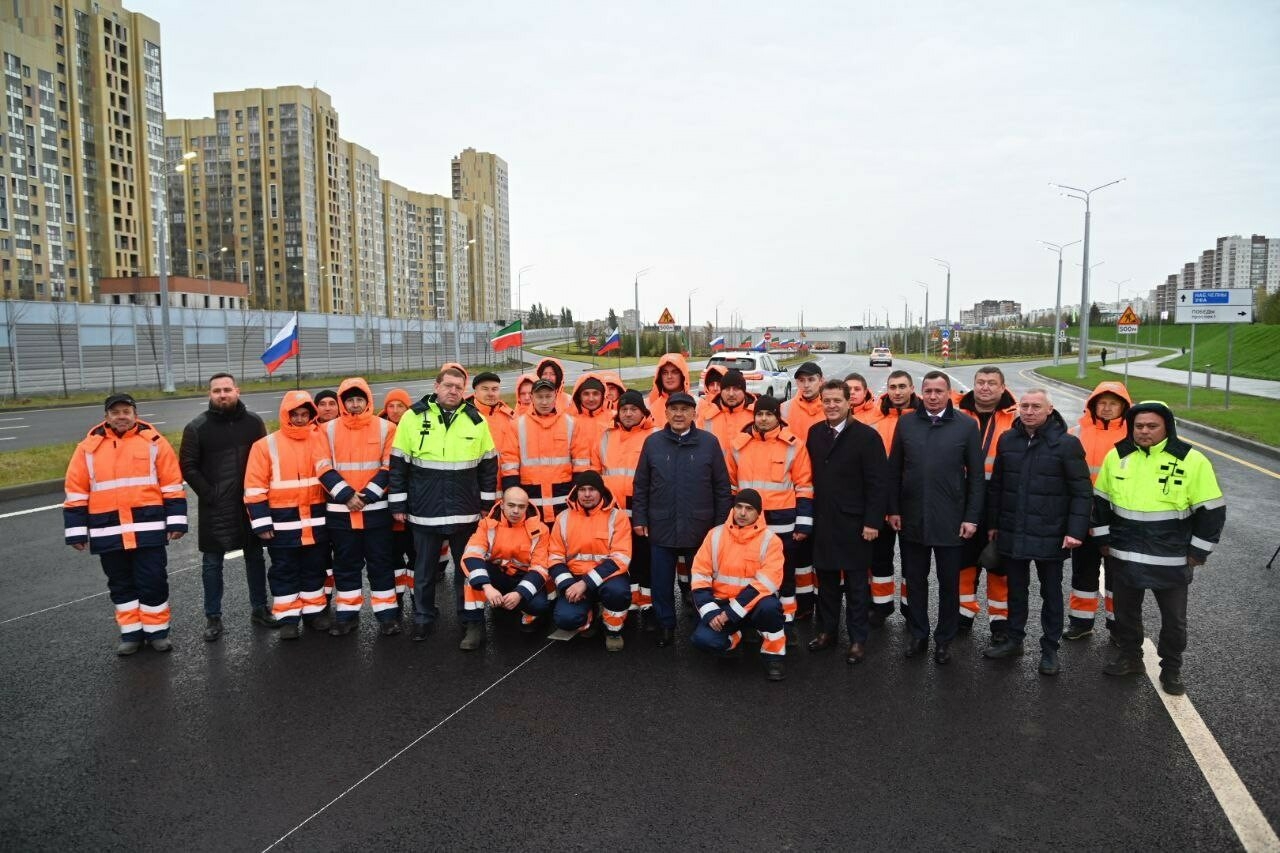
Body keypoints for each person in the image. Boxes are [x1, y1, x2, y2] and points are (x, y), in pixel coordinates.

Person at [1093, 401, 1225, 695]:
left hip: (1172, 557)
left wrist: (1198, 551)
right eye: (1139, 426)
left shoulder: (1191, 460)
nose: (1144, 431)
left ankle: (1172, 669)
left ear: (1167, 426)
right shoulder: (1118, 456)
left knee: (1174, 621)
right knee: (1125, 615)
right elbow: (1100, 503)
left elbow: (1212, 511)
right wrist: (1103, 541)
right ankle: (1131, 658)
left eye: (1152, 426)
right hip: (1125, 556)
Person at [64, 393, 187, 655]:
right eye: (115, 412)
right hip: (107, 529)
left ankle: (157, 633)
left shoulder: (154, 442)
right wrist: (76, 532)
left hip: (148, 529)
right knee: (120, 583)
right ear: (106, 416)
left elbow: (172, 484)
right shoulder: (88, 448)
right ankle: (131, 633)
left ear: (135, 414)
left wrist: (176, 521)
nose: (121, 416)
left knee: (153, 580)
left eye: (126, 411)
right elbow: (76, 490)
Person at [983, 389, 1092, 675]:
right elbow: (997, 487)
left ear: (1049, 410)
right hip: (1013, 531)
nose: (1029, 411)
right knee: (1016, 591)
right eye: (1025, 406)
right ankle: (1014, 640)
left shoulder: (1067, 445)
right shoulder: (1008, 440)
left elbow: (1082, 492)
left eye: (1036, 406)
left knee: (1051, 593)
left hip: (1051, 534)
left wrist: (1075, 531)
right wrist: (993, 524)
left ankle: (1050, 649)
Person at [389, 366, 498, 642]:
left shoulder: (476, 420)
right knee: (424, 571)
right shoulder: (413, 418)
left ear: (464, 391)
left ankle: (468, 616)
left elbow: (488, 465)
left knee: (465, 569)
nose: (453, 391)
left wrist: (486, 504)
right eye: (448, 385)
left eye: (458, 387)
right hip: (425, 509)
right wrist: (398, 503)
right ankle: (423, 617)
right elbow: (399, 464)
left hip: (465, 509)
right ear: (436, 386)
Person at [887, 371, 983, 664]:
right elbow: (894, 471)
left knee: (948, 583)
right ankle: (918, 634)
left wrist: (971, 517)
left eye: (938, 391)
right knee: (914, 580)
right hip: (913, 518)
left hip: (951, 520)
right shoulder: (906, 424)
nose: (932, 396)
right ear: (921, 393)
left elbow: (976, 477)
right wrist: (893, 509)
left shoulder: (966, 426)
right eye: (927, 391)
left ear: (949, 393)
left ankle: (944, 639)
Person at [178, 373, 274, 642]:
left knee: (255, 557)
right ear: (209, 394)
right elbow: (188, 466)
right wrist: (211, 494)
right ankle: (213, 616)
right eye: (217, 390)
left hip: (248, 504)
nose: (222, 394)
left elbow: (264, 458)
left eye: (227, 389)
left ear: (237, 391)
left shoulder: (254, 423)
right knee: (212, 563)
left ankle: (259, 608)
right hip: (215, 507)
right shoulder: (197, 427)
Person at [633, 391, 733, 647]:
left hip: (700, 527)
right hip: (661, 525)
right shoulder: (653, 443)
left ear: (694, 414)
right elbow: (641, 485)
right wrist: (640, 518)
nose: (679, 414)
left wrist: (721, 525)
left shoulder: (709, 443)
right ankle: (666, 625)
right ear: (665, 413)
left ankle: (705, 622)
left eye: (685, 410)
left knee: (701, 580)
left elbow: (722, 488)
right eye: (674, 409)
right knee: (661, 581)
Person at [805, 379, 888, 664]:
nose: (830, 406)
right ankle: (828, 632)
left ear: (848, 402)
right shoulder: (814, 433)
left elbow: (878, 483)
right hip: (824, 521)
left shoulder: (867, 436)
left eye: (836, 401)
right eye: (826, 401)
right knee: (825, 583)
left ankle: (857, 640)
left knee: (856, 586)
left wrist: (873, 522)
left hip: (856, 524)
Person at [244, 390, 335, 640]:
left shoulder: (321, 440)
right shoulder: (265, 445)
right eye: (295, 414)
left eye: (305, 414)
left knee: (314, 569)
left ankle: (314, 613)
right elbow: (254, 487)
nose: (300, 418)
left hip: (316, 521)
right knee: (284, 570)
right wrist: (261, 523)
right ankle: (288, 619)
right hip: (282, 523)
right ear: (286, 415)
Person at [726, 395, 813, 645]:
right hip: (747, 523)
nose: (763, 419)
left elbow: (804, 485)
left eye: (769, 414)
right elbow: (731, 487)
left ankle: (786, 623)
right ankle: (753, 622)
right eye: (759, 414)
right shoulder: (738, 445)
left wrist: (803, 522)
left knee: (784, 574)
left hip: (783, 523)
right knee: (750, 571)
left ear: (778, 417)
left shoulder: (794, 445)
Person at [318, 378, 400, 637]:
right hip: (341, 514)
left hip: (375, 512)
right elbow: (322, 465)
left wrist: (365, 496)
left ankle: (387, 616)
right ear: (344, 402)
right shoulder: (328, 429)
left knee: (381, 563)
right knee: (345, 565)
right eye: (350, 400)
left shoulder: (386, 428)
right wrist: (346, 495)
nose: (355, 404)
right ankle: (347, 615)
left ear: (367, 401)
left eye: (359, 399)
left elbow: (390, 466)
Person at [688, 489, 787, 681]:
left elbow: (765, 584)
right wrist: (711, 613)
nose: (742, 513)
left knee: (770, 607)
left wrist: (730, 613)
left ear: (759, 513)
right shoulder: (715, 535)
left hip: (754, 605)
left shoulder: (771, 541)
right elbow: (700, 575)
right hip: (722, 605)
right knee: (702, 640)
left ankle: (773, 656)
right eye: (738, 507)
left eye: (749, 509)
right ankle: (736, 636)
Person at [956, 366, 1019, 643]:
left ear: (1003, 387)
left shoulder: (1015, 418)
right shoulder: (956, 413)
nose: (985, 387)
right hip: (963, 499)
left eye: (992, 383)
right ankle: (963, 614)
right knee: (964, 563)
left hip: (1000, 499)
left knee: (998, 565)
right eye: (980, 382)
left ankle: (1000, 622)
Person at [1065, 380, 1131, 639]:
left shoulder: (1132, 437)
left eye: (1113, 404)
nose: (1106, 408)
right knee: (1083, 570)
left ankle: (1118, 627)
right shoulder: (1076, 433)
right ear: (1092, 405)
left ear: (1123, 407)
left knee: (1119, 575)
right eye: (1101, 403)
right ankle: (1081, 623)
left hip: (1119, 518)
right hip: (1083, 516)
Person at [547, 471, 632, 651]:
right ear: (576, 492)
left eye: (592, 489)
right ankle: (590, 613)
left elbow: (620, 558)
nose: (587, 494)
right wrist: (568, 586)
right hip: (574, 578)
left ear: (601, 491)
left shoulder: (618, 517)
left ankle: (613, 631)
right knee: (565, 619)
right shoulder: (563, 518)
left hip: (608, 578)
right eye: (582, 489)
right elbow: (554, 557)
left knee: (617, 593)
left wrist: (585, 583)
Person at [459, 486, 552, 649]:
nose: (516, 511)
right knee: (473, 576)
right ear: (501, 504)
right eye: (511, 505)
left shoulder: (540, 530)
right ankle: (474, 626)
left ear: (527, 507)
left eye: (521, 507)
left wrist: (519, 594)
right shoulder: (487, 525)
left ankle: (522, 610)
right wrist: (486, 587)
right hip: (497, 577)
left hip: (523, 578)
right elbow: (471, 555)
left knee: (540, 606)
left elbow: (540, 568)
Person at [594, 390, 657, 620]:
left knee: (643, 557)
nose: (628, 413)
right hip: (612, 510)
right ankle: (628, 603)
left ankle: (648, 604)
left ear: (643, 412)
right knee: (620, 558)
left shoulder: (654, 436)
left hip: (642, 510)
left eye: (633, 409)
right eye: (624, 409)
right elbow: (596, 470)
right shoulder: (606, 436)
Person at [502, 378, 592, 523]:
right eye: (539, 397)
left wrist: (577, 496)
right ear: (531, 397)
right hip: (531, 503)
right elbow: (509, 466)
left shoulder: (572, 424)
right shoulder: (516, 426)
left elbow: (581, 464)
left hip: (564, 501)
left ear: (556, 396)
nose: (544, 402)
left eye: (548, 396)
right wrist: (513, 497)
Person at [870, 370, 919, 624]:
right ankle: (881, 606)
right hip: (881, 500)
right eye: (893, 387)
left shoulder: (923, 420)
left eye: (902, 386)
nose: (897, 392)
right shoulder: (875, 421)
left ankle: (911, 609)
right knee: (880, 558)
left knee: (912, 561)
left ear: (912, 388)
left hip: (912, 501)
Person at [379, 388, 416, 611]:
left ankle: (415, 596)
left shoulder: (415, 427)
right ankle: (396, 599)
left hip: (412, 503)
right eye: (390, 406)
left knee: (416, 554)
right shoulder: (378, 430)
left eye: (399, 406)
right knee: (391, 556)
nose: (394, 411)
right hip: (385, 504)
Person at [698, 368, 755, 456]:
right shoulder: (706, 416)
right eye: (727, 389)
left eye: (736, 389)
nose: (731, 394)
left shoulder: (757, 415)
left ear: (744, 391)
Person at [781, 361, 825, 441]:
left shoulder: (830, 408)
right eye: (801, 380)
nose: (806, 385)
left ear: (821, 381)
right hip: (797, 453)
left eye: (811, 380)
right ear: (797, 383)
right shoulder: (784, 408)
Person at [646, 352, 691, 428]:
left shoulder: (698, 404)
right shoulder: (648, 406)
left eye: (675, 372)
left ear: (683, 375)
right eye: (665, 373)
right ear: (660, 376)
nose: (669, 376)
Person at [569, 372, 613, 449]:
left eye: (595, 394)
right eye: (586, 394)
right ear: (579, 397)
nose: (591, 399)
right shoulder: (569, 420)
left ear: (603, 396)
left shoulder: (614, 418)